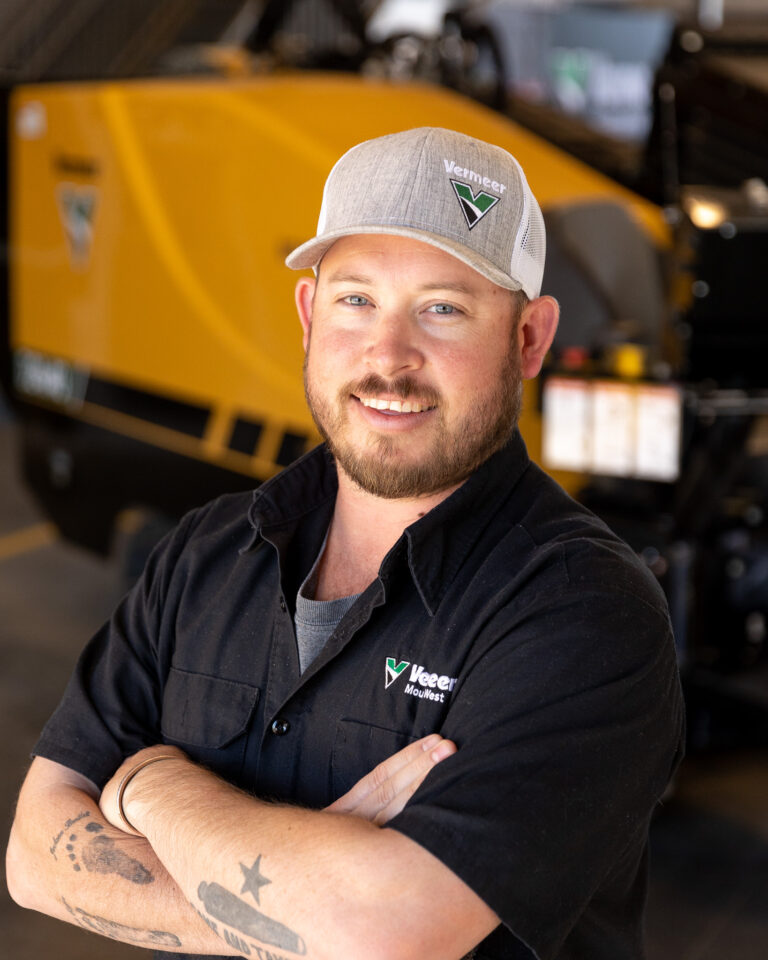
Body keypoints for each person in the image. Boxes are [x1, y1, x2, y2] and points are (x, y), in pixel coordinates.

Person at [7, 127, 684, 960]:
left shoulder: (583, 611)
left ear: (529, 339)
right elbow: (36, 855)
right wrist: (311, 903)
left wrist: (152, 785)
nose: (388, 357)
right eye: (356, 299)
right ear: (308, 314)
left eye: (443, 308)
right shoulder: (209, 554)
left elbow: (382, 935)